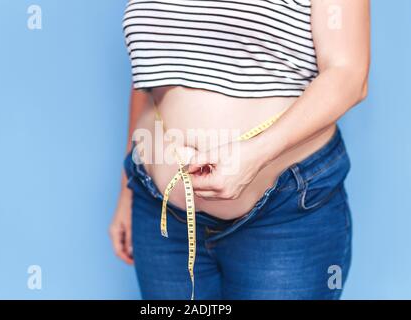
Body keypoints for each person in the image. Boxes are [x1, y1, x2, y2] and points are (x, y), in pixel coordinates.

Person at [110, 0, 370, 299]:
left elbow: (348, 74)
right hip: (159, 213)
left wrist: (256, 155)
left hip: (283, 214)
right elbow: (149, 75)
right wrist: (126, 190)